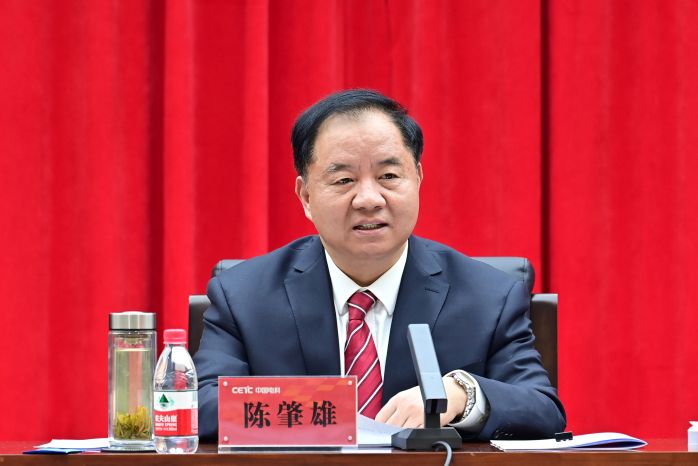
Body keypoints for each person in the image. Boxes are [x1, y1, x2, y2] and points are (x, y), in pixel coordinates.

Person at [194, 89, 566, 441]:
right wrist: (328, 410)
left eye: (388, 176)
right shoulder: (244, 295)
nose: (369, 199)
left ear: (417, 179)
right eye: (344, 180)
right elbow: (201, 406)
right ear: (306, 196)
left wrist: (459, 394)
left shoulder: (489, 296)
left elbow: (542, 410)